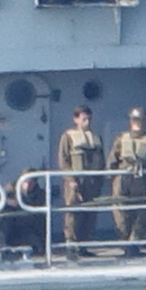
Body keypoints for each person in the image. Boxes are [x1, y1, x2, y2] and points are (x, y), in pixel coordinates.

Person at [108, 107, 146, 253]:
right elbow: (111, 162)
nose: (139, 123)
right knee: (121, 213)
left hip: (142, 181)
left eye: (141, 121)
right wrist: (113, 178)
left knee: (142, 214)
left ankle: (133, 242)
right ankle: (126, 242)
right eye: (136, 120)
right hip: (122, 181)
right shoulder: (120, 139)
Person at [57, 105, 105, 254]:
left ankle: (84, 245)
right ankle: (71, 245)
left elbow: (102, 160)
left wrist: (100, 179)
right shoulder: (68, 136)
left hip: (93, 182)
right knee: (73, 213)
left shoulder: (97, 137)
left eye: (89, 119)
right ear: (76, 119)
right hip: (76, 181)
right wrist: (70, 179)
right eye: (84, 119)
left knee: (90, 214)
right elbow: (63, 160)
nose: (87, 122)